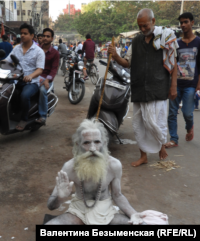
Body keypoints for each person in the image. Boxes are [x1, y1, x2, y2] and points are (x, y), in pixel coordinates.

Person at [46, 119, 168, 225]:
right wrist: (60, 198)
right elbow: (51, 206)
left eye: (97, 142)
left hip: (106, 213)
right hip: (78, 211)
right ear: (78, 145)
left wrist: (133, 214)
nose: (93, 148)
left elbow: (117, 195)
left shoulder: (114, 165)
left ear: (104, 143)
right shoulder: (69, 167)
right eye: (86, 143)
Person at [108, 8, 178, 167]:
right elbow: (127, 63)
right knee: (139, 124)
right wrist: (116, 56)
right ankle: (143, 156)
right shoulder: (136, 41)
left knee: (156, 122)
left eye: (145, 25)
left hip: (158, 88)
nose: (143, 29)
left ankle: (161, 145)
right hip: (139, 88)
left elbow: (173, 64)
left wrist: (173, 86)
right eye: (140, 26)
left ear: (153, 21)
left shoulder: (164, 38)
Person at [166, 12, 200, 148]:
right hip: (176, 84)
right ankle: (174, 139)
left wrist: (198, 84)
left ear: (192, 22)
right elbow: (173, 64)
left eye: (186, 22)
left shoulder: (198, 42)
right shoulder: (177, 43)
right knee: (172, 113)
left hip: (191, 85)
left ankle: (189, 126)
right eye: (181, 23)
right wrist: (171, 84)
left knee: (187, 113)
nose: (183, 25)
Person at [5, 23, 45, 131]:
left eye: (25, 33)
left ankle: (24, 119)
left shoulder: (39, 51)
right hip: (17, 80)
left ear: (32, 36)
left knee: (24, 95)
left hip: (32, 82)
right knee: (6, 93)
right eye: (21, 33)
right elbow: (7, 60)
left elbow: (40, 69)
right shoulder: (16, 48)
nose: (22, 35)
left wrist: (30, 76)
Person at [35, 28, 59, 124]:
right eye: (44, 36)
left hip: (45, 77)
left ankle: (42, 115)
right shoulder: (36, 49)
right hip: (34, 75)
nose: (45, 38)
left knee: (42, 91)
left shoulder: (55, 53)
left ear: (52, 38)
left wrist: (47, 80)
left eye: (48, 36)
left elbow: (54, 69)